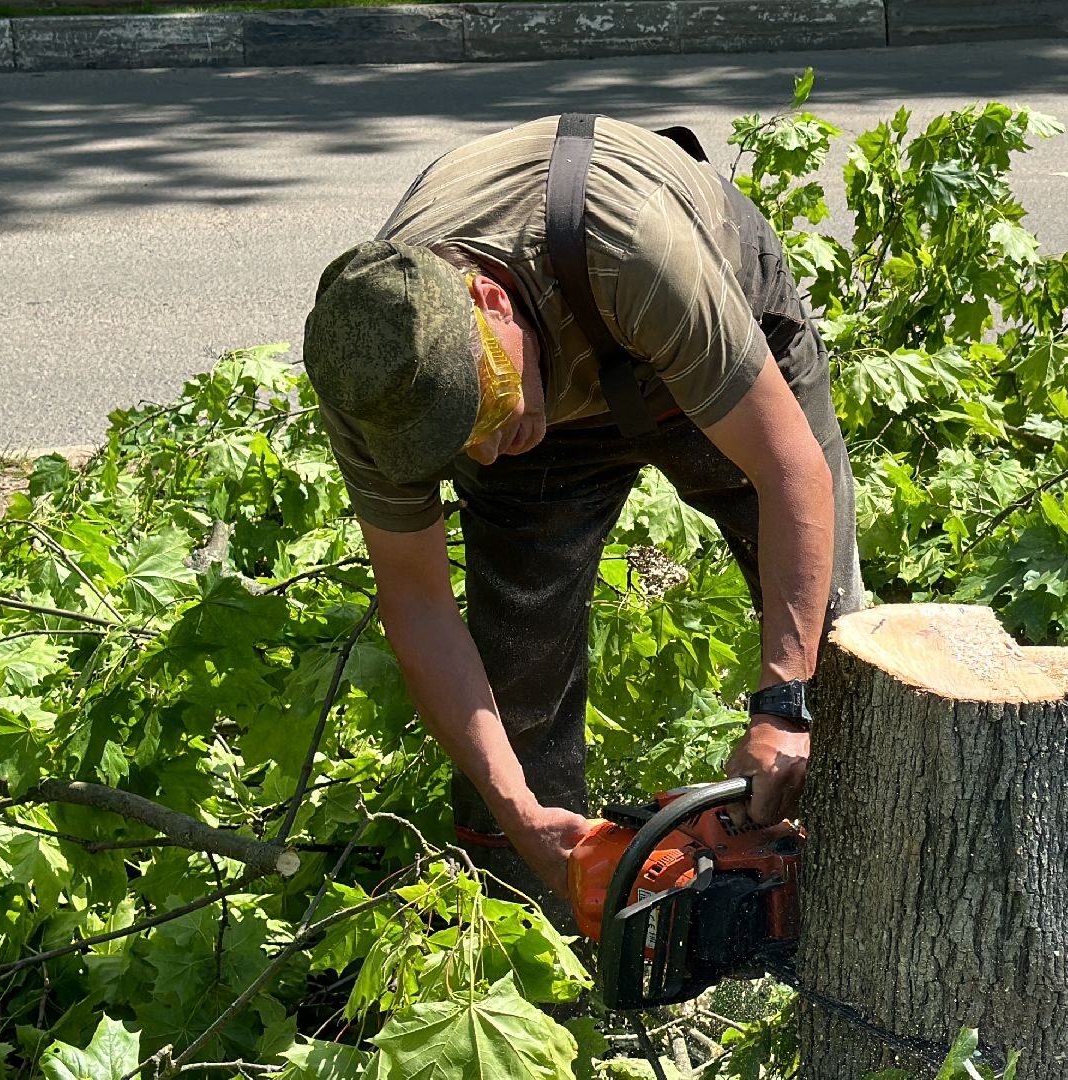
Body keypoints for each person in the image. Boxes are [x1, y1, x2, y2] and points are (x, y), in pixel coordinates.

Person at [300, 114, 863, 908]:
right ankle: (544, 935)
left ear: (490, 300)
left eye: (484, 406)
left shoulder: (635, 248)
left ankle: (851, 901)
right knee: (514, 665)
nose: (491, 451)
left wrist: (782, 703)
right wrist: (518, 810)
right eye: (457, 442)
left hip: (670, 314)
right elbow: (419, 600)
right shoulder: (372, 384)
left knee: (832, 640)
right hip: (551, 375)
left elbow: (790, 471)